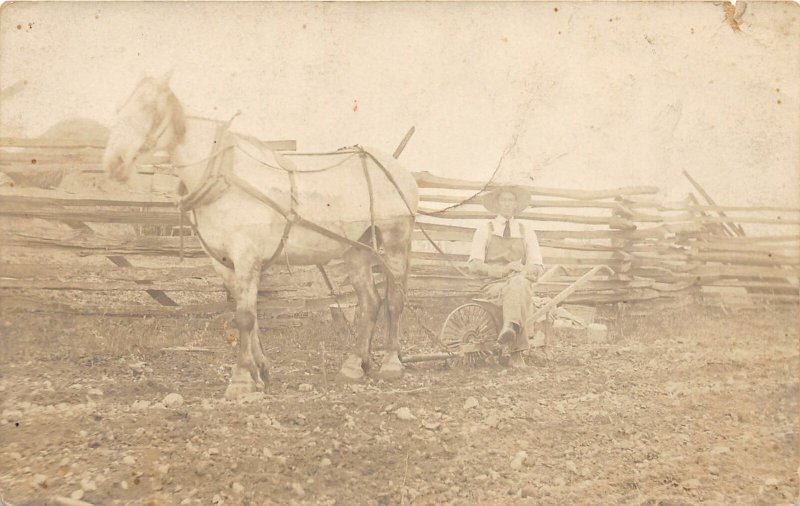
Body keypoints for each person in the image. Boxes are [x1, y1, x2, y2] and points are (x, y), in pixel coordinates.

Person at [468, 184, 544, 368]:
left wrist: (522, 271)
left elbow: (537, 265)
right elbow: (474, 265)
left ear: (516, 204)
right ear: (497, 204)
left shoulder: (526, 231)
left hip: (519, 282)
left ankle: (509, 328)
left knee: (519, 284)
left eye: (511, 200)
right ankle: (517, 353)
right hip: (493, 285)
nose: (507, 204)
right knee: (520, 288)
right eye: (504, 200)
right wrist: (503, 270)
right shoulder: (485, 230)